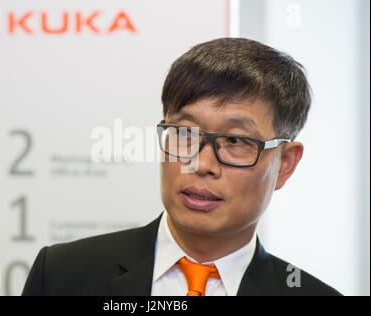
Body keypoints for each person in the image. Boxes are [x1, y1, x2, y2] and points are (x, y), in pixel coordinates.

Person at [22, 38, 341, 296]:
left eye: (235, 140)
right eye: (185, 134)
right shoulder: (62, 274)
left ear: (285, 164)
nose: (201, 164)